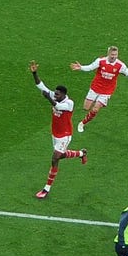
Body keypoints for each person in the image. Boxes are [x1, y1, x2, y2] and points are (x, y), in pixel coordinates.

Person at [29, 61, 86, 199]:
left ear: (64, 95)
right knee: (59, 155)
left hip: (65, 135)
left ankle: (46, 189)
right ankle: (80, 153)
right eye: (55, 93)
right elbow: (40, 85)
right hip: (55, 133)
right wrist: (34, 73)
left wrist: (49, 98)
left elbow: (58, 107)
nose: (55, 95)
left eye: (58, 94)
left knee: (55, 159)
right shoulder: (54, 96)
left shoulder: (69, 103)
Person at [70, 45, 128, 131]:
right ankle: (99, 102)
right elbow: (90, 67)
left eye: (115, 54)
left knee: (95, 109)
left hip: (107, 91)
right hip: (95, 87)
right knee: (86, 107)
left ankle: (82, 123)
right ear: (108, 54)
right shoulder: (100, 61)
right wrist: (81, 67)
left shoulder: (120, 65)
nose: (114, 56)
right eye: (112, 54)